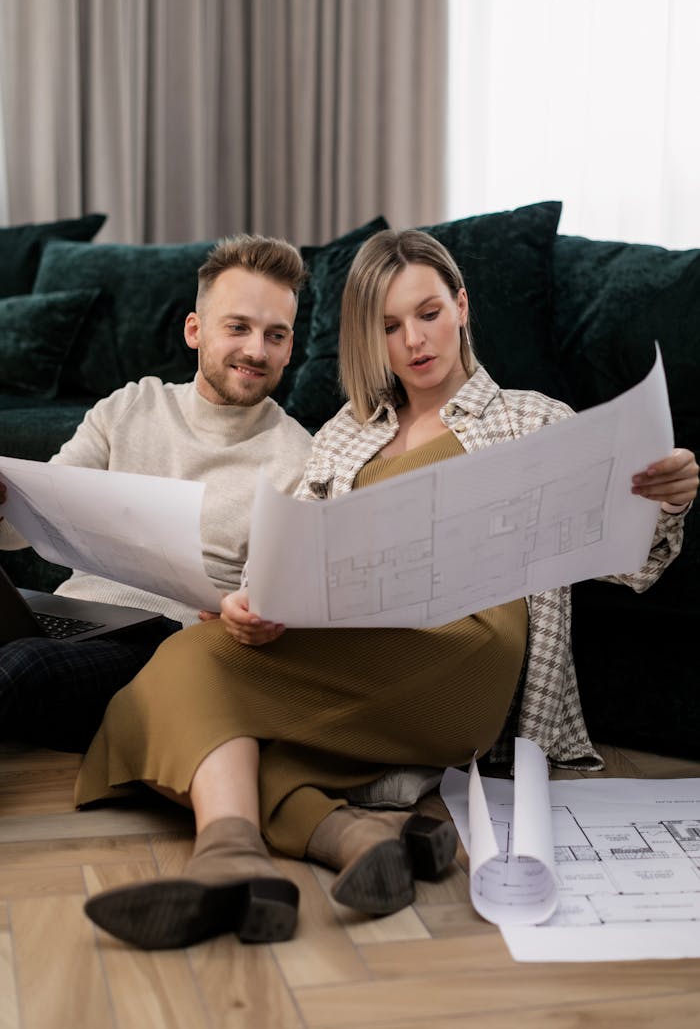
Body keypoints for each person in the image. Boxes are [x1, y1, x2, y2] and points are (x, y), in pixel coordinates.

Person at [74, 228, 698, 951]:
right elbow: (287, 558)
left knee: (189, 689)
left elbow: (631, 564)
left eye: (428, 312)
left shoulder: (533, 420)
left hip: (467, 647)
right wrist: (255, 601)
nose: (414, 341)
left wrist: (667, 501)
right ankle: (312, 845)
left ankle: (250, 853)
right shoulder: (343, 434)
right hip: (349, 636)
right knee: (197, 682)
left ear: (461, 305)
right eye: (389, 326)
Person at [0, 234, 312, 751]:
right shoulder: (128, 408)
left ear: (290, 348)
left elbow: (269, 592)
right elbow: (20, 531)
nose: (256, 350)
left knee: (23, 667)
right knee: (27, 659)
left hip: (168, 644)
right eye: (238, 327)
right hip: (72, 619)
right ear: (195, 330)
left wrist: (254, 611)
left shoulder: (298, 459)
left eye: (275, 335)